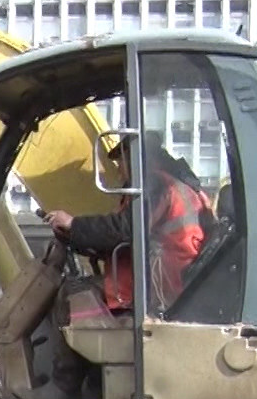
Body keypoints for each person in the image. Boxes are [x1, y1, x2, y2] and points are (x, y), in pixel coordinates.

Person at [42, 133, 210, 318]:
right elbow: (121, 234)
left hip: (161, 282)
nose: (119, 171)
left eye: (120, 163)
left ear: (135, 158)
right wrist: (72, 234)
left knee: (70, 296)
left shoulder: (157, 185)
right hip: (166, 274)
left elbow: (125, 229)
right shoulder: (169, 185)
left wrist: (73, 223)